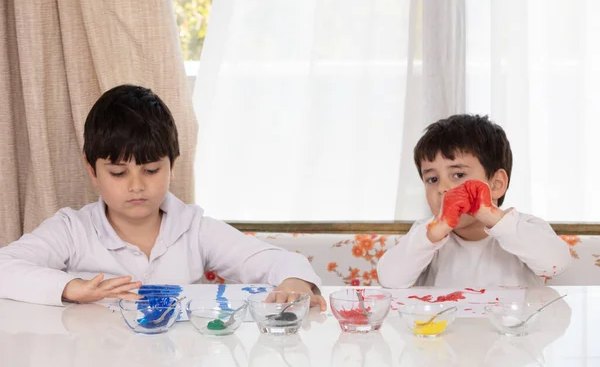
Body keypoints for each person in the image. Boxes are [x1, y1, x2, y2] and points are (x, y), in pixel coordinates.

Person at [0, 85, 326, 310]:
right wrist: (71, 288)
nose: (136, 186)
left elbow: (273, 260)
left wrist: (295, 282)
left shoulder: (194, 228)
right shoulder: (72, 229)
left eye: (151, 170)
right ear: (92, 170)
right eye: (118, 173)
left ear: (173, 168)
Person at [377, 114, 571, 288]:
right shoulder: (426, 235)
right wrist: (434, 232)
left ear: (495, 185)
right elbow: (390, 279)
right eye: (432, 179)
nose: (443, 188)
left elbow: (556, 263)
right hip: (445, 328)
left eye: (458, 174)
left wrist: (491, 215)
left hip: (513, 328)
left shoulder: (524, 228)